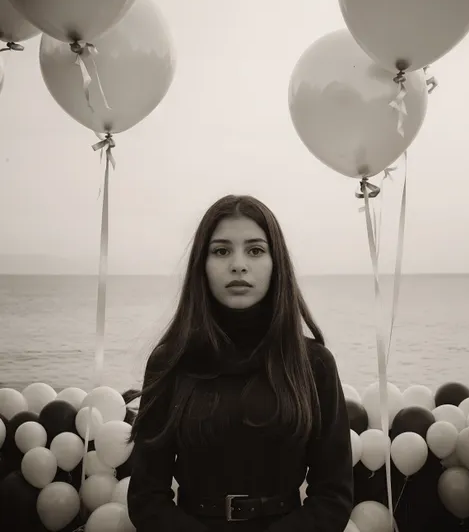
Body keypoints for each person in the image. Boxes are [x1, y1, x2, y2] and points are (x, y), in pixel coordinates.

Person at [127, 194, 353, 531]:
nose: (238, 264)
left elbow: (333, 495)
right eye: (221, 250)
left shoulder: (314, 364)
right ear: (201, 266)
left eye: (255, 250)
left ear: (277, 264)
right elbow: (146, 497)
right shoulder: (169, 360)